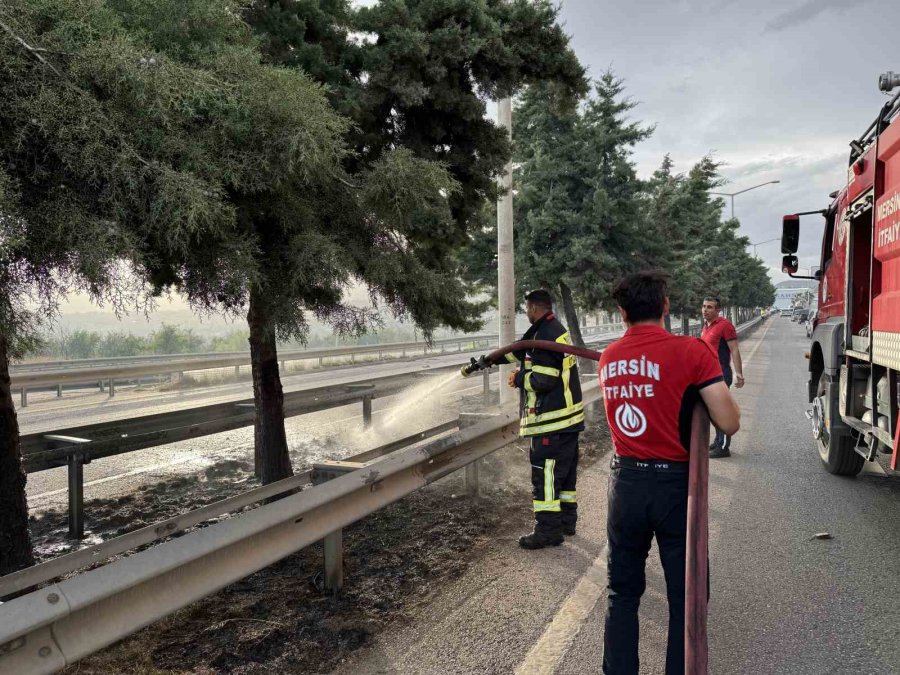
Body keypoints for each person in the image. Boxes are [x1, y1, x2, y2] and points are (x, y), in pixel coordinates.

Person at [599, 272, 740, 675]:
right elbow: (729, 423)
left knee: (622, 593)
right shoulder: (692, 352)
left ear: (622, 313)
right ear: (665, 306)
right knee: (686, 594)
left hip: (625, 484)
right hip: (677, 488)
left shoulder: (609, 357)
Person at [506, 289, 584, 550]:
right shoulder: (554, 329)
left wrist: (518, 378)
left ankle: (548, 531)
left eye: (527, 309)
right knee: (565, 476)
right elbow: (520, 350)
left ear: (535, 308)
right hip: (568, 421)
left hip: (551, 421)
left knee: (546, 477)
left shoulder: (544, 336)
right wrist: (488, 361)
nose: (526, 313)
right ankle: (566, 522)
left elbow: (543, 380)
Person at [700, 296, 744, 458]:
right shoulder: (705, 326)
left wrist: (739, 373)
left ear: (718, 310)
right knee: (713, 411)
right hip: (708, 375)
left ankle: (724, 447)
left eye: (710, 307)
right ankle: (718, 441)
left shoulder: (725, 326)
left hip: (721, 374)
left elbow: (734, 349)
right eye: (704, 306)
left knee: (721, 411)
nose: (705, 310)